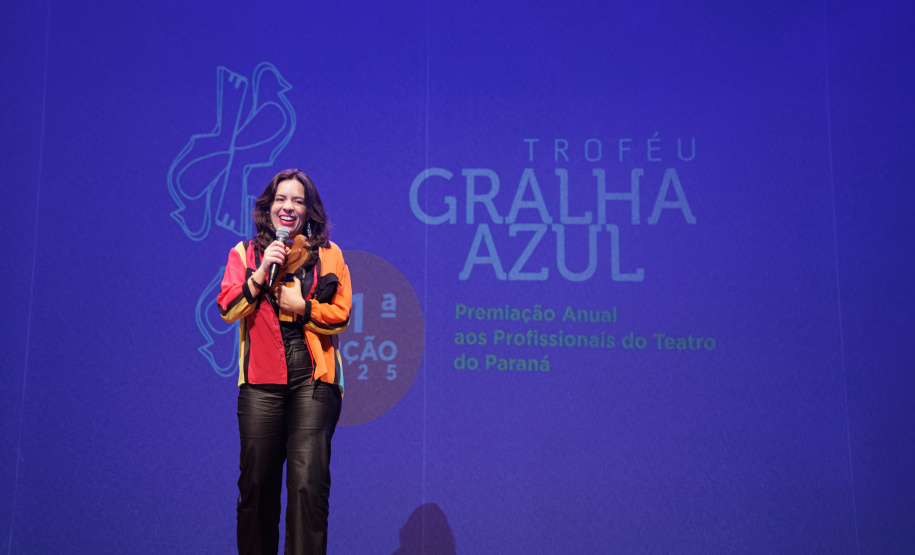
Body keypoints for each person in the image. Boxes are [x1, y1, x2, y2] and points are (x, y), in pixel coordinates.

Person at [217, 169, 352, 554]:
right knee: (256, 485)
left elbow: (341, 314)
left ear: (309, 210)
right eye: (280, 199)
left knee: (308, 484)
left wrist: (303, 307)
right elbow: (227, 307)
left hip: (314, 379)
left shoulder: (330, 254)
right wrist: (260, 274)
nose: (287, 206)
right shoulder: (245, 254)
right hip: (261, 379)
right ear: (268, 208)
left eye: (296, 200)